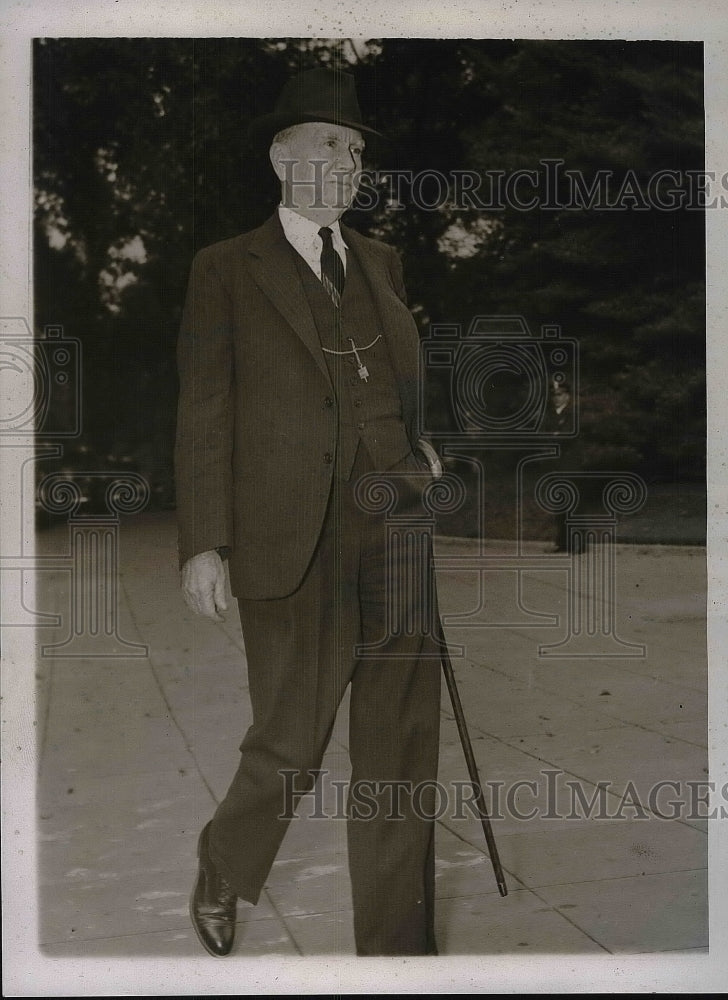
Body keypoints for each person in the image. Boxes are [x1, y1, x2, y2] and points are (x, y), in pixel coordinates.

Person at [174, 67, 443, 957]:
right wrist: (204, 541)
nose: (350, 159)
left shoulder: (382, 262)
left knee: (401, 746)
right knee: (291, 740)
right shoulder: (227, 269)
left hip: (394, 532)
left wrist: (422, 450)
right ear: (282, 156)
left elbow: (403, 386)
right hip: (292, 538)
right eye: (332, 142)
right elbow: (205, 408)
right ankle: (226, 859)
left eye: (358, 149)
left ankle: (398, 951)